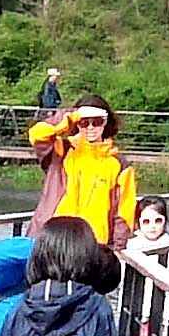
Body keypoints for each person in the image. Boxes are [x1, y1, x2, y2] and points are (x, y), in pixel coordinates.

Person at [27, 98, 139, 244]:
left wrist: (118, 246)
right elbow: (36, 134)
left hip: (92, 244)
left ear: (106, 122)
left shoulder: (120, 165)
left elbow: (124, 212)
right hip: (52, 238)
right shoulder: (60, 151)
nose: (90, 127)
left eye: (97, 122)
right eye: (84, 122)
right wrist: (71, 115)